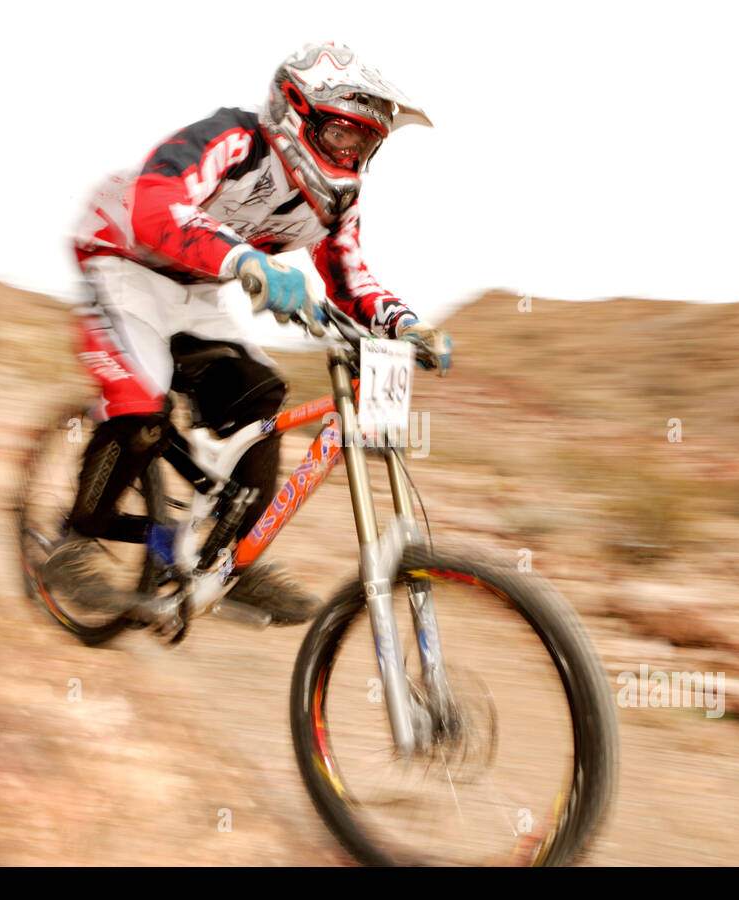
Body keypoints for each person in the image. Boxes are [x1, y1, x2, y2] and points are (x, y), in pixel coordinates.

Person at [42, 41, 453, 626]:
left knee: (259, 398)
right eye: (342, 134)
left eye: (365, 143)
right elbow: (155, 205)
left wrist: (407, 325)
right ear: (297, 110)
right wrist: (246, 262)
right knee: (142, 404)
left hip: (198, 288)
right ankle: (74, 543)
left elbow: (349, 277)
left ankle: (227, 558)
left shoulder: (335, 203)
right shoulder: (234, 140)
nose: (352, 152)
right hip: (124, 263)